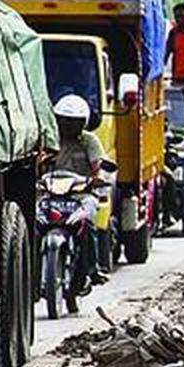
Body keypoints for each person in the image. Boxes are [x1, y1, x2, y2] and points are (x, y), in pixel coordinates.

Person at [51, 94, 107, 286]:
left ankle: (92, 268)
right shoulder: (51, 139)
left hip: (81, 195)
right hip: (52, 194)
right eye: (64, 121)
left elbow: (97, 165)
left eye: (73, 122)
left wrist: (97, 179)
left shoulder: (89, 141)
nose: (68, 126)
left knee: (87, 223)